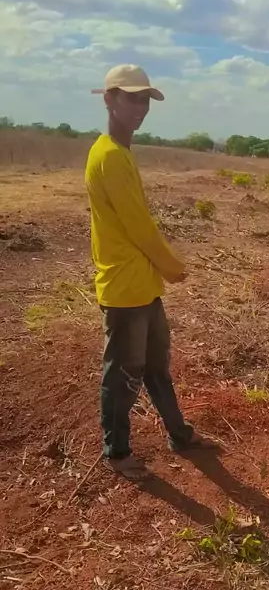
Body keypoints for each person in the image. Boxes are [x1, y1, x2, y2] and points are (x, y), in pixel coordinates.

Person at [85, 64, 213, 479]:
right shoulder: (109, 156)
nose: (139, 107)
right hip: (125, 289)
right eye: (131, 98)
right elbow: (139, 226)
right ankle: (117, 452)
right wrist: (172, 266)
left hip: (142, 285)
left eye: (144, 100)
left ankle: (179, 434)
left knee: (156, 368)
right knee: (123, 375)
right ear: (109, 99)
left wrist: (160, 272)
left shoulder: (120, 152)